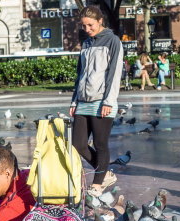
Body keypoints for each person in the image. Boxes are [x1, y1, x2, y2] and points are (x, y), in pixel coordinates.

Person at [69, 6, 123, 198]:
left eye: (90, 25)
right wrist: (74, 101)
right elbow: (80, 74)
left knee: (101, 144)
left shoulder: (113, 41)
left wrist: (109, 100)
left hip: (103, 101)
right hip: (83, 101)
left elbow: (114, 73)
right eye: (84, 25)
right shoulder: (86, 43)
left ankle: (98, 184)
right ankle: (105, 173)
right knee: (78, 143)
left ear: (100, 21)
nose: (87, 29)